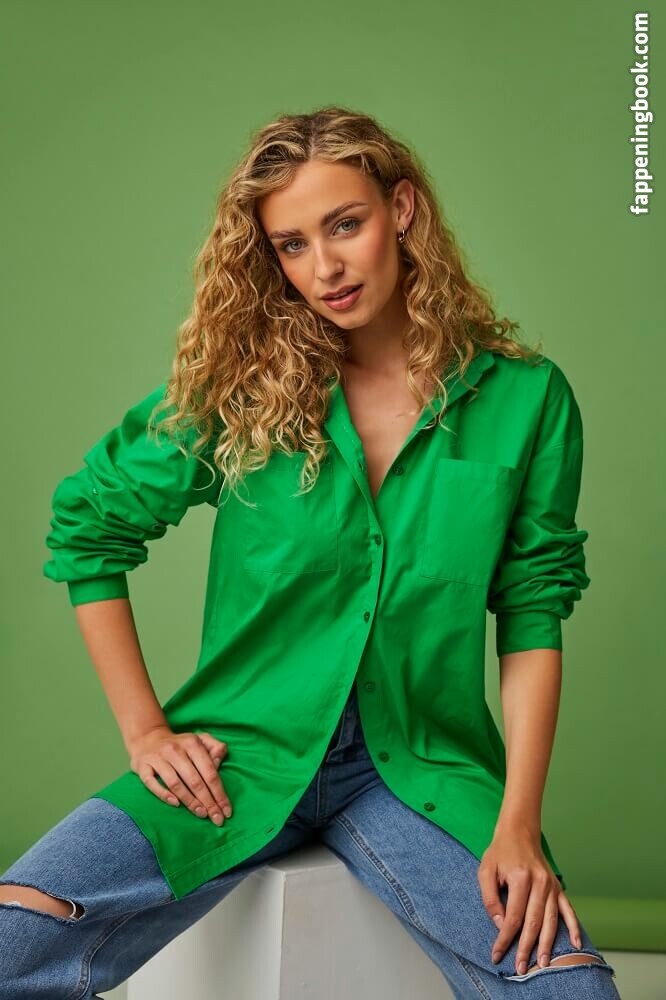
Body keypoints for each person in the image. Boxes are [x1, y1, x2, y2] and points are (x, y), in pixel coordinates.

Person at [0, 106, 621, 998]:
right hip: (239, 763)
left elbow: (532, 615)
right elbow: (88, 529)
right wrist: (145, 730)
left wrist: (518, 825)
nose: (323, 267)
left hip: (421, 771)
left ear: (401, 210)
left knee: (569, 988)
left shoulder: (527, 399)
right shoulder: (244, 389)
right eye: (292, 244)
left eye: (345, 224)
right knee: (11, 943)